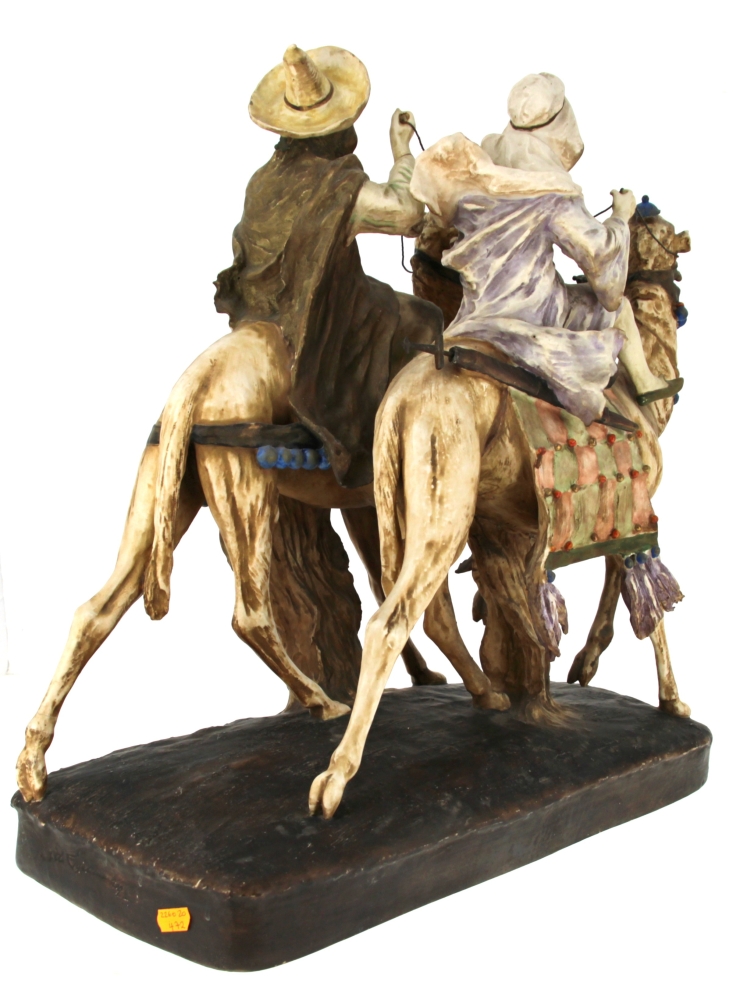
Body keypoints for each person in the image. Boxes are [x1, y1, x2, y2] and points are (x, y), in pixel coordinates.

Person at [215, 44, 441, 487]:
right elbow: (406, 214)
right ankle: (405, 464)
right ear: (331, 131)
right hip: (320, 322)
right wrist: (401, 153)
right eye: (344, 122)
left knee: (382, 295)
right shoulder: (337, 185)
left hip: (264, 316)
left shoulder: (263, 179)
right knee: (425, 317)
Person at [409, 72, 682, 425]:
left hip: (478, 309)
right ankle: (646, 384)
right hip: (535, 312)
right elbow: (603, 267)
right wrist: (620, 216)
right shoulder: (552, 192)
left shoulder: (482, 173)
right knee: (621, 310)